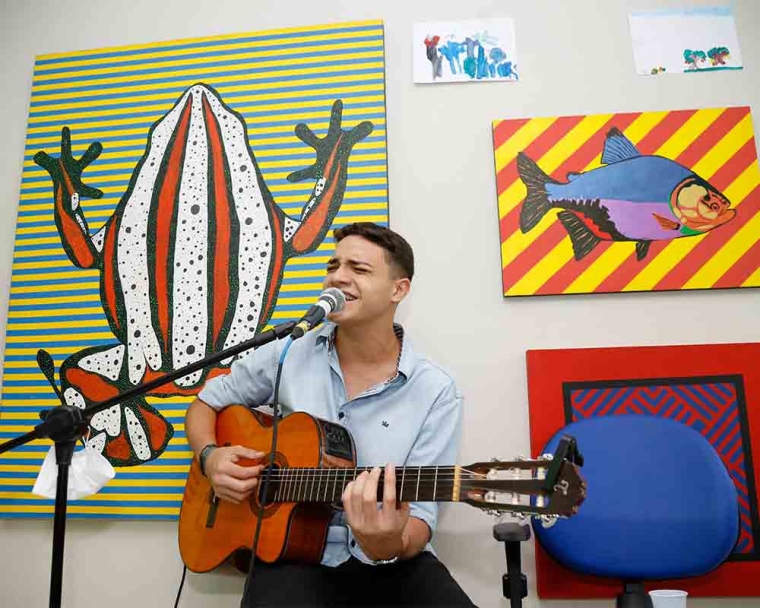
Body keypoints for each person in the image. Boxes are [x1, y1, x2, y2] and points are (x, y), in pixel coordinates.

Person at [185, 222, 475, 607]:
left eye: (359, 269)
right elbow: (204, 404)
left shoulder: (436, 390)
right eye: (333, 266)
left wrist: (387, 541)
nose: (338, 277)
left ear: (398, 289)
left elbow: (420, 517)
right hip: (290, 556)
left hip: (388, 561)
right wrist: (211, 457)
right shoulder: (289, 350)